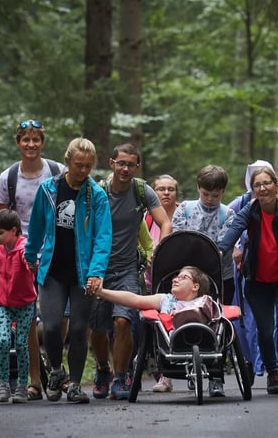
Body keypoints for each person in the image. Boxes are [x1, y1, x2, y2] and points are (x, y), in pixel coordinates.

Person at [24, 137, 112, 403]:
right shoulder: (49, 189)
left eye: (88, 166)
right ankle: (55, 371)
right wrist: (30, 254)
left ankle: (74, 384)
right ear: (67, 161)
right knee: (50, 326)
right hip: (52, 270)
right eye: (78, 165)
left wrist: (96, 272)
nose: (83, 171)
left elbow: (102, 237)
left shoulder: (96, 195)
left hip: (83, 273)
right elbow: (36, 225)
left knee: (78, 329)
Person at [89, 143, 172, 400]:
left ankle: (120, 376)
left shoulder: (141, 190)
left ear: (137, 167)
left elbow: (165, 221)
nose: (125, 168)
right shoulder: (97, 191)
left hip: (127, 269)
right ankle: (103, 369)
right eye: (120, 163)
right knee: (98, 328)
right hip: (98, 268)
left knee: (123, 321)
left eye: (131, 164)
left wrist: (157, 251)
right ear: (111, 163)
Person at [218, 166, 278, 397]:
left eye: (267, 183)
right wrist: (218, 251)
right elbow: (234, 230)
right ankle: (273, 373)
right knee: (265, 331)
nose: (262, 188)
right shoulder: (250, 211)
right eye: (257, 185)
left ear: (276, 186)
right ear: (253, 189)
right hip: (257, 283)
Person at [0, 119, 66, 401]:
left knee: (59, 317)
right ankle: (35, 381)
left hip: (55, 251)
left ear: (43, 143)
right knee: (28, 318)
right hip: (21, 255)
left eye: (36, 139)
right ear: (18, 143)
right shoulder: (8, 177)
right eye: (25, 139)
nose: (31, 144)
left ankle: (57, 368)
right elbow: (0, 222)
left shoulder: (57, 172)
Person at [172, 165, 236, 397]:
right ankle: (192, 364)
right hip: (190, 278)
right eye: (205, 194)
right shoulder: (185, 210)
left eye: (215, 195)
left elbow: (224, 246)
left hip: (220, 277)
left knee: (218, 325)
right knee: (188, 319)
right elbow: (177, 239)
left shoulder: (227, 214)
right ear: (198, 188)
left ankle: (217, 376)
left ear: (223, 192)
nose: (209, 199)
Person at [0, 209, 38, 404]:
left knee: (22, 343)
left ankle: (22, 386)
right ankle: (4, 384)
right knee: (4, 341)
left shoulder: (25, 248)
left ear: (14, 231)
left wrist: (33, 264)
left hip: (24, 304)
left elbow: (30, 264)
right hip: (3, 304)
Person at [143, 174, 179, 393]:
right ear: (153, 192)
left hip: (181, 282)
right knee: (158, 328)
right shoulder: (147, 217)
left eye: (170, 189)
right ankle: (163, 375)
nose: (166, 193)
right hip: (153, 281)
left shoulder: (185, 213)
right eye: (161, 189)